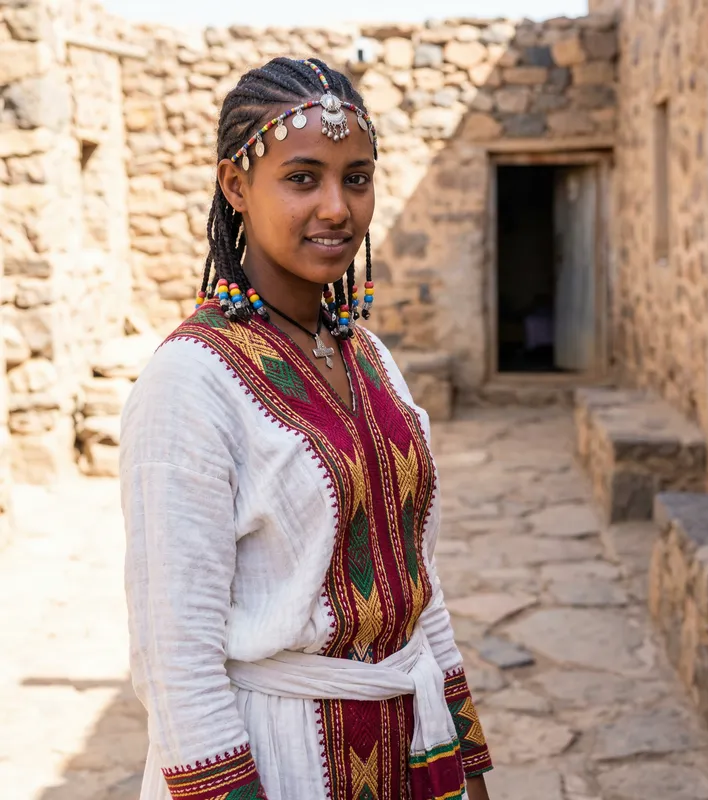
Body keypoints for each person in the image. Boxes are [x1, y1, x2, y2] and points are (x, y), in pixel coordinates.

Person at [120, 57, 493, 800]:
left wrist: (467, 757)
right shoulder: (190, 383)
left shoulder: (367, 355)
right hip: (283, 756)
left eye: (356, 178)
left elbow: (421, 586)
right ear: (236, 186)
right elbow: (176, 658)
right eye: (302, 178)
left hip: (414, 747)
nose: (336, 207)